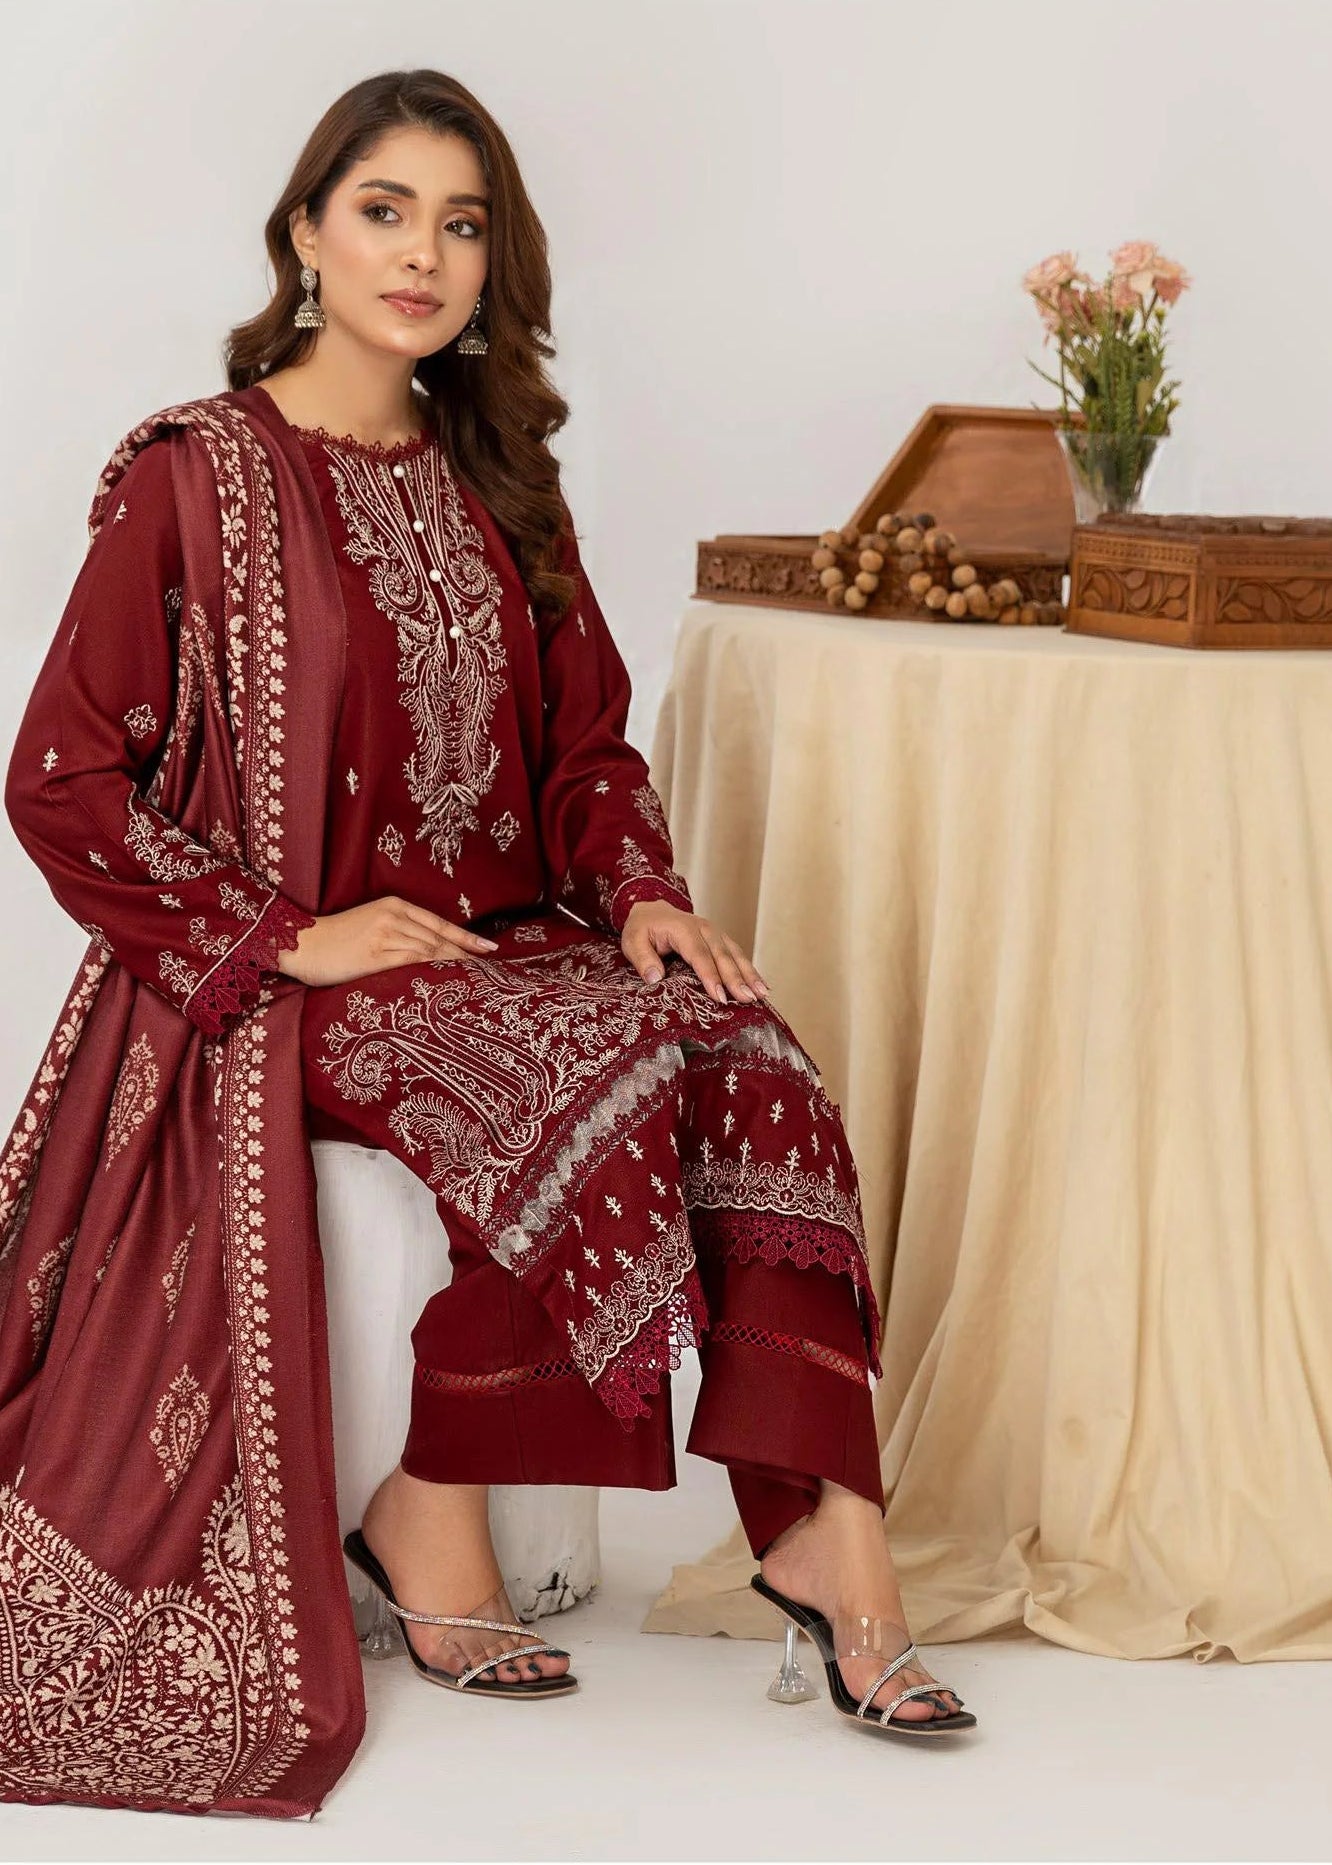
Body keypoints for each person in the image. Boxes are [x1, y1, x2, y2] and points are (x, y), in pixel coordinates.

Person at [0, 68, 971, 1819]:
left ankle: (837, 1547)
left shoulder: (496, 475)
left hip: (517, 942)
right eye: (385, 210)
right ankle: (426, 1501)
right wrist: (286, 938)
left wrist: (647, 896)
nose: (424, 255)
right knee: (575, 1064)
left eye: (464, 225)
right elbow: (63, 780)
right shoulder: (194, 478)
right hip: (306, 988)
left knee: (751, 1052)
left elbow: (587, 749)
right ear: (306, 231)